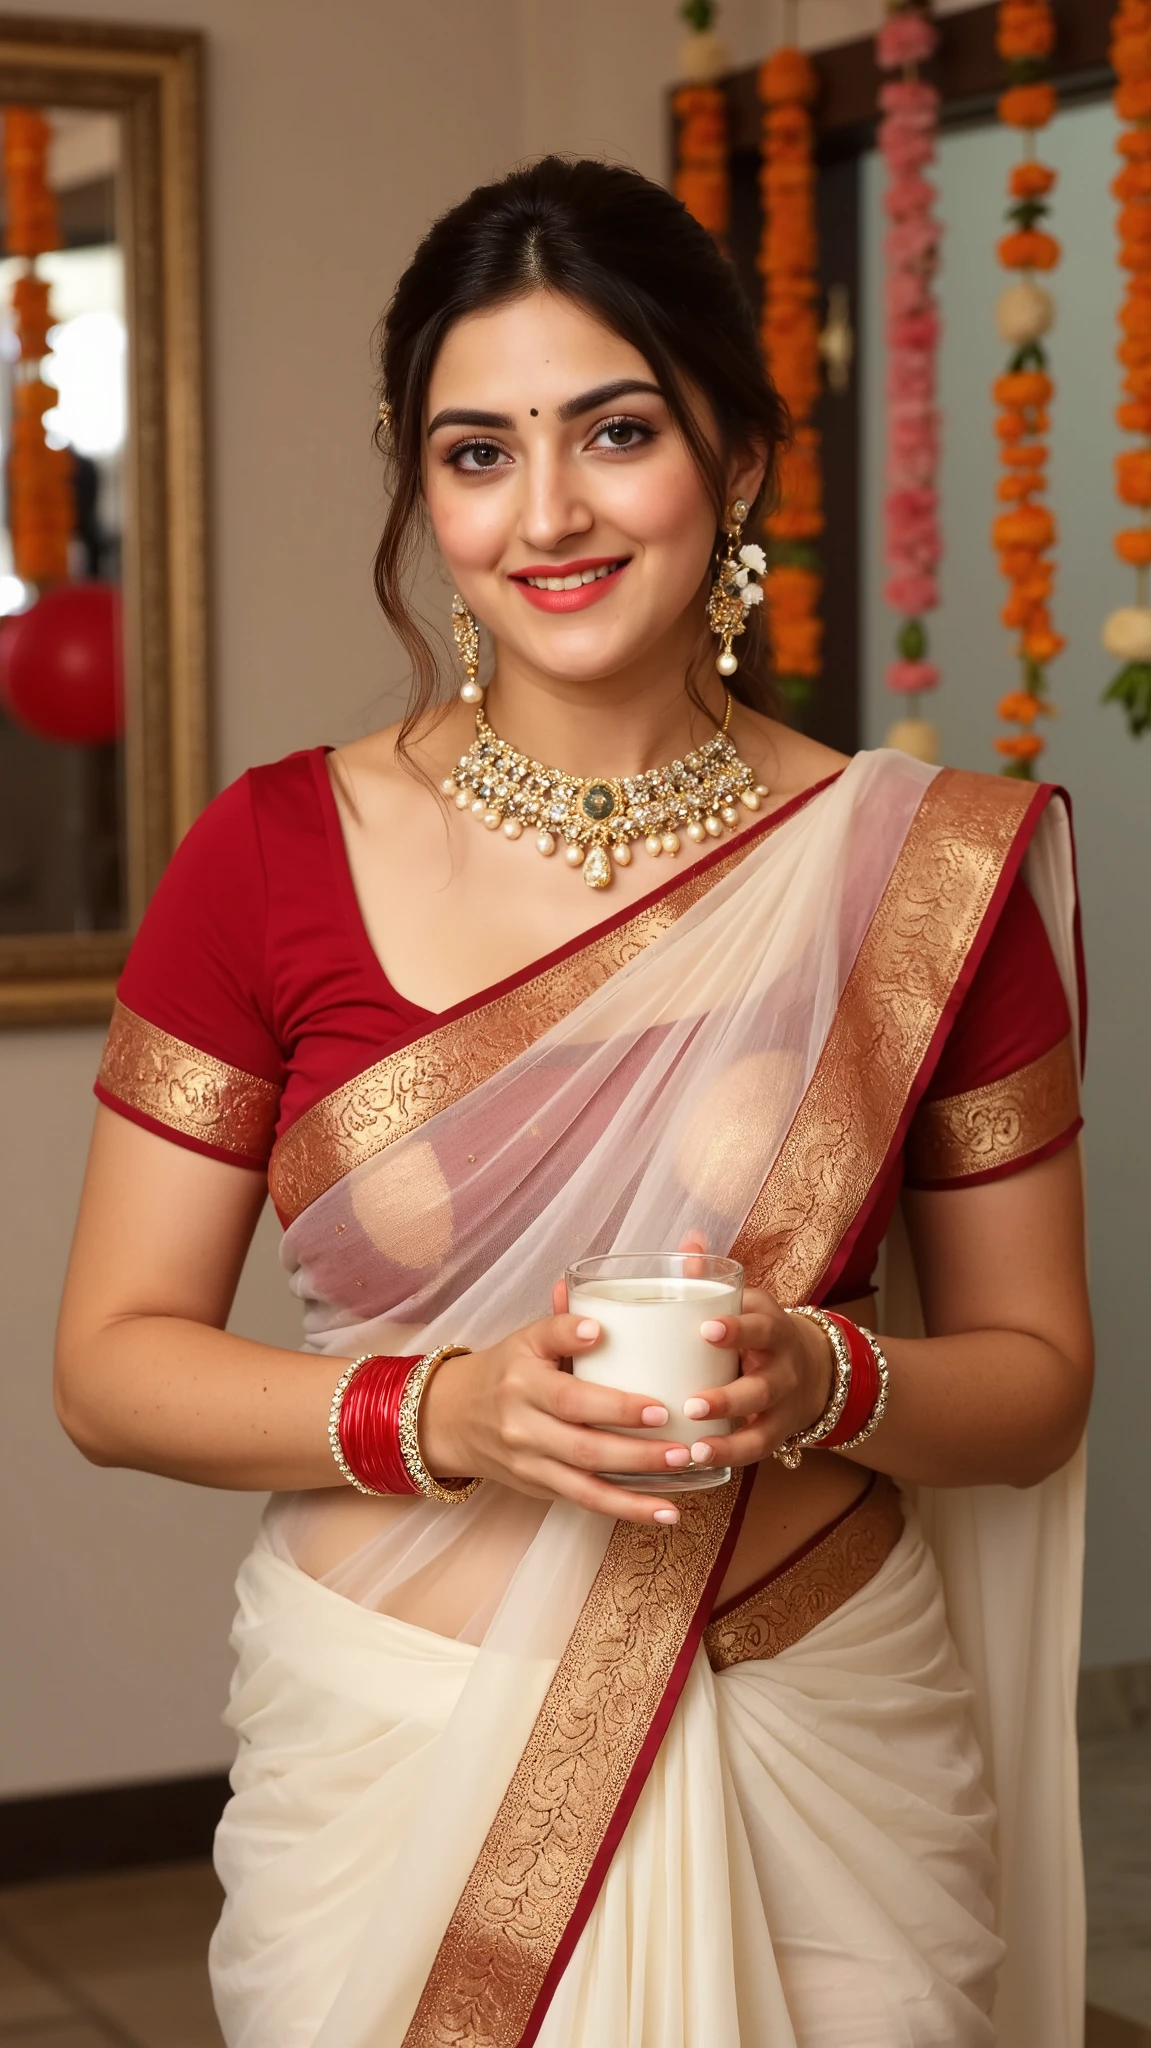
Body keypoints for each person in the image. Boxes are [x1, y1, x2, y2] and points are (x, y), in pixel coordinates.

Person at [55, 158, 1092, 2048]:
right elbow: (112, 1366)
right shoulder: (274, 855)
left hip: (814, 1726)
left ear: (744, 458)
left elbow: (1036, 1376)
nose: (547, 513)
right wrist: (443, 1412)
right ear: (419, 481)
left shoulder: (922, 873)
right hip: (391, 1746)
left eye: (615, 431)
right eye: (476, 451)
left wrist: (824, 1380)